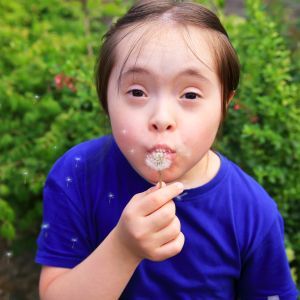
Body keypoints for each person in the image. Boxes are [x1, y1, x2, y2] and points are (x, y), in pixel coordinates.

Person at [35, 0, 299, 299]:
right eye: (137, 92)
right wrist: (123, 249)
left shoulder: (252, 212)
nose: (161, 118)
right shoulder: (78, 173)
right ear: (105, 98)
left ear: (224, 104)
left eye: (190, 94)